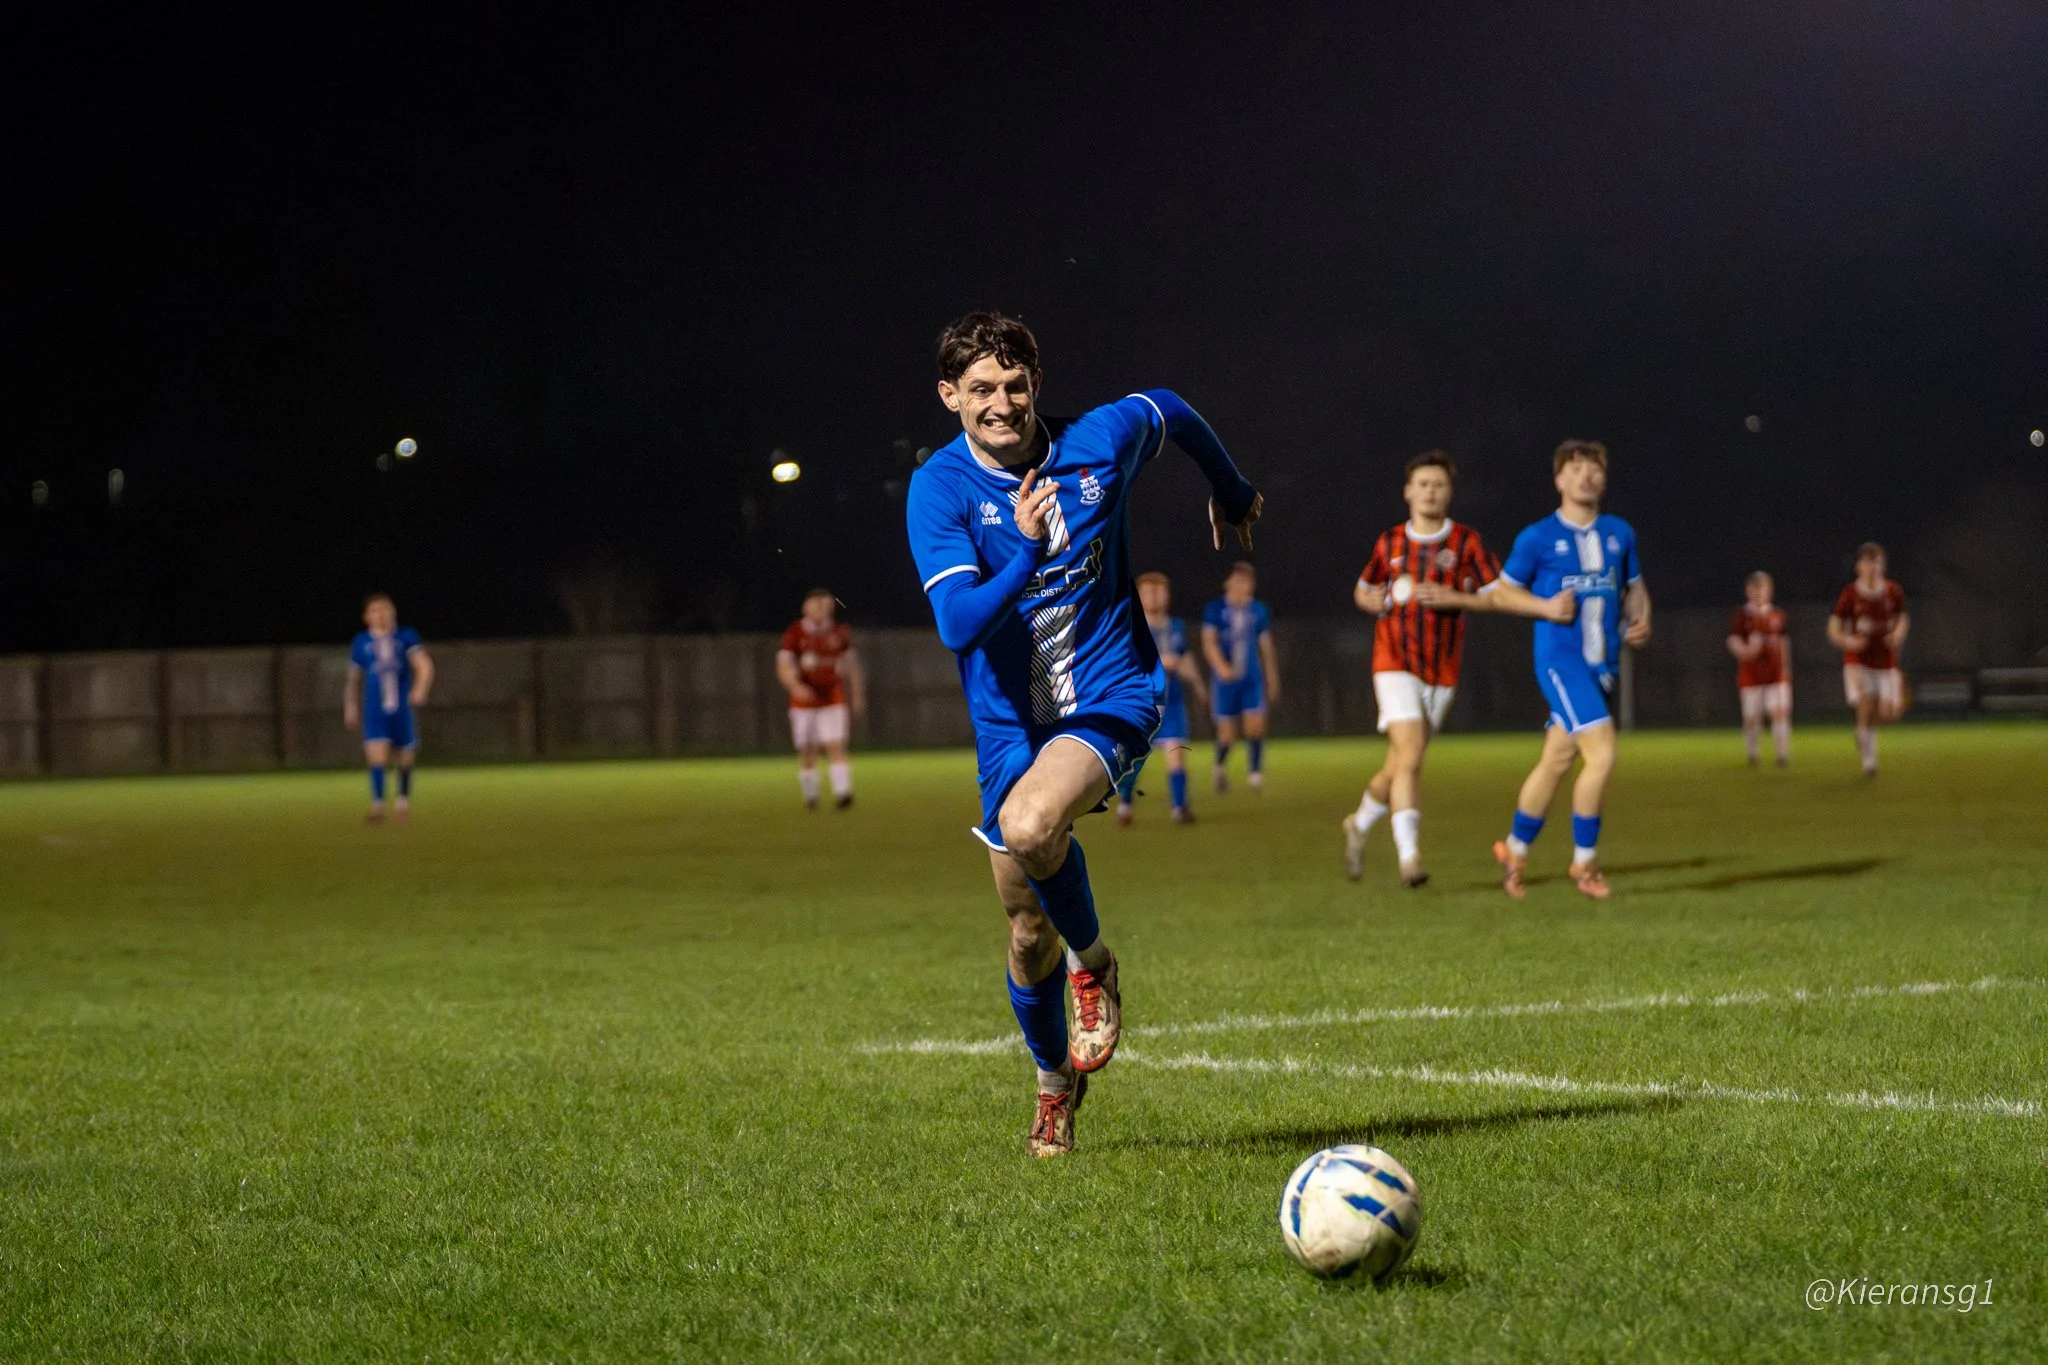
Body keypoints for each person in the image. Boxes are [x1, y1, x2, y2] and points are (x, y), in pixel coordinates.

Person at [905, 311, 1260, 1157]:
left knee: (1033, 826)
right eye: (981, 389)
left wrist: (1231, 486)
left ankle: (1093, 960)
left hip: (1112, 693)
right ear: (950, 395)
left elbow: (1169, 407)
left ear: (1037, 383)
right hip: (1010, 729)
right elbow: (958, 622)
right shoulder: (940, 489)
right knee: (1027, 930)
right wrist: (1025, 553)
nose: (1001, 403)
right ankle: (1053, 1081)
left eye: (1014, 384)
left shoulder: (1096, 442)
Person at [1342, 451, 1555, 887]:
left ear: (1449, 492)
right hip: (1393, 661)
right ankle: (1410, 858)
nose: (1430, 491)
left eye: (1438, 484)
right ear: (1408, 491)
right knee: (1411, 754)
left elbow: (1497, 595)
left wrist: (1457, 599)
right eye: (1422, 484)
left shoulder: (1465, 543)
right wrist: (1371, 600)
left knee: (1400, 762)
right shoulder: (1389, 543)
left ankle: (1359, 823)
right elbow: (1363, 590)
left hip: (1441, 670)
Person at [1487, 440, 1651, 900]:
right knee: (1602, 753)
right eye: (1575, 469)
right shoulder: (1537, 537)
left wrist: (1641, 620)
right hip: (1561, 663)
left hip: (1602, 666)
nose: (1585, 476)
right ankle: (1585, 863)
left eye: (1594, 468)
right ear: (1558, 479)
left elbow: (1635, 588)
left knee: (1557, 759)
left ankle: (1515, 851)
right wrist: (1543, 606)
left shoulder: (1619, 533)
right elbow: (1500, 593)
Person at [1114, 572, 1208, 825]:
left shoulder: (1175, 626)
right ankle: (1125, 804)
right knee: (1134, 761)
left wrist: (1198, 684)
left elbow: (1184, 657)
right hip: (1141, 705)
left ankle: (1179, 808)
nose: (1154, 596)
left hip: (1171, 703)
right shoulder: (1131, 627)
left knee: (1176, 753)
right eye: (1148, 592)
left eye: (1158, 591)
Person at [343, 593, 434, 823]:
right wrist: (350, 707)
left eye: (385, 609)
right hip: (375, 709)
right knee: (377, 756)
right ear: (366, 617)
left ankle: (402, 800)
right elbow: (353, 679)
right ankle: (378, 806)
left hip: (401, 708)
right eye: (375, 610)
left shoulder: (405, 637)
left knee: (405, 757)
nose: (381, 614)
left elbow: (424, 665)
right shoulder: (362, 642)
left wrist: (420, 689)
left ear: (393, 613)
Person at [776, 588, 866, 809]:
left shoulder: (839, 633)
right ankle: (811, 796)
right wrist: (796, 686)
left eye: (827, 606)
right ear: (806, 607)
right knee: (808, 751)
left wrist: (857, 694)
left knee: (835, 745)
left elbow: (851, 666)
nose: (823, 610)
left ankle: (843, 794)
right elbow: (783, 666)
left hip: (832, 699)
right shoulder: (795, 634)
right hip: (804, 703)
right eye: (818, 605)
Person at [1827, 543, 1909, 777]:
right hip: (1858, 661)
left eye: (1877, 562)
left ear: (1883, 566)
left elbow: (1902, 618)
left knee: (1889, 713)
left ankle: (1862, 731)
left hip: (1886, 661)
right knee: (1867, 703)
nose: (1873, 567)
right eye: (1868, 562)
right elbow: (1833, 627)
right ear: (1858, 567)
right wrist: (1847, 641)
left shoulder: (1893, 591)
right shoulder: (1850, 594)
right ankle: (1869, 761)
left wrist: (1897, 634)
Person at [1202, 561, 1279, 792]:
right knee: (1228, 733)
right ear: (1227, 583)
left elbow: (1266, 645)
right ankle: (1219, 767)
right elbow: (1209, 642)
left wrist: (1272, 676)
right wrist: (1221, 667)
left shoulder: (1258, 610)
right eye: (1237, 580)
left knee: (1255, 725)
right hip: (1225, 681)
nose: (1241, 585)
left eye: (1245, 581)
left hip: (1251, 678)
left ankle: (1255, 774)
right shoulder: (1215, 609)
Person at [1726, 571, 1792, 767]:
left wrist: (1787, 668)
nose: (1759, 592)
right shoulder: (1742, 615)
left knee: (1779, 712)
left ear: (1769, 591)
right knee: (1752, 718)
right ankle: (1753, 753)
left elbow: (1783, 642)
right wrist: (1745, 651)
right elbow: (1733, 640)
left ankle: (1782, 754)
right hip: (1751, 674)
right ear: (1748, 591)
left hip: (1776, 673)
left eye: (1762, 588)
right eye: (1755, 588)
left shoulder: (1777, 615)